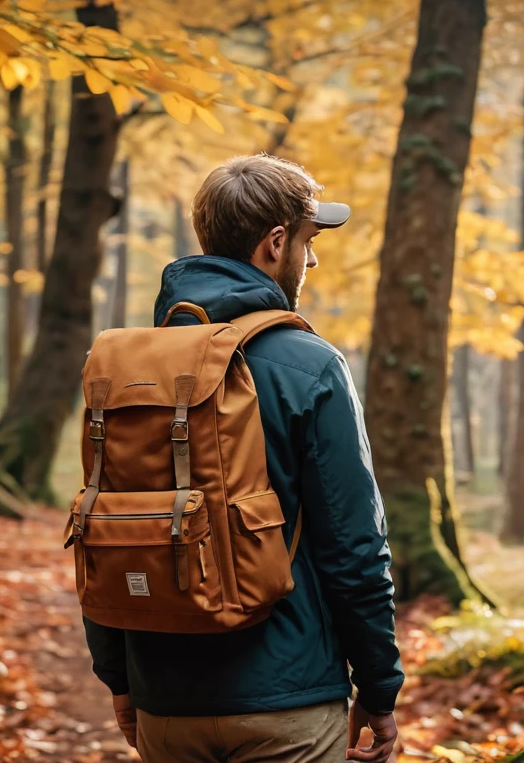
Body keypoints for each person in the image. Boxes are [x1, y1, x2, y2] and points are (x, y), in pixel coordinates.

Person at [82, 154, 404, 763]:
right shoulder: (311, 366)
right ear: (274, 242)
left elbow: (108, 527)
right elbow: (354, 548)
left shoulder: (129, 368)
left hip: (166, 703)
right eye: (307, 242)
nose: (311, 260)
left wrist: (121, 679)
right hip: (291, 705)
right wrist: (381, 688)